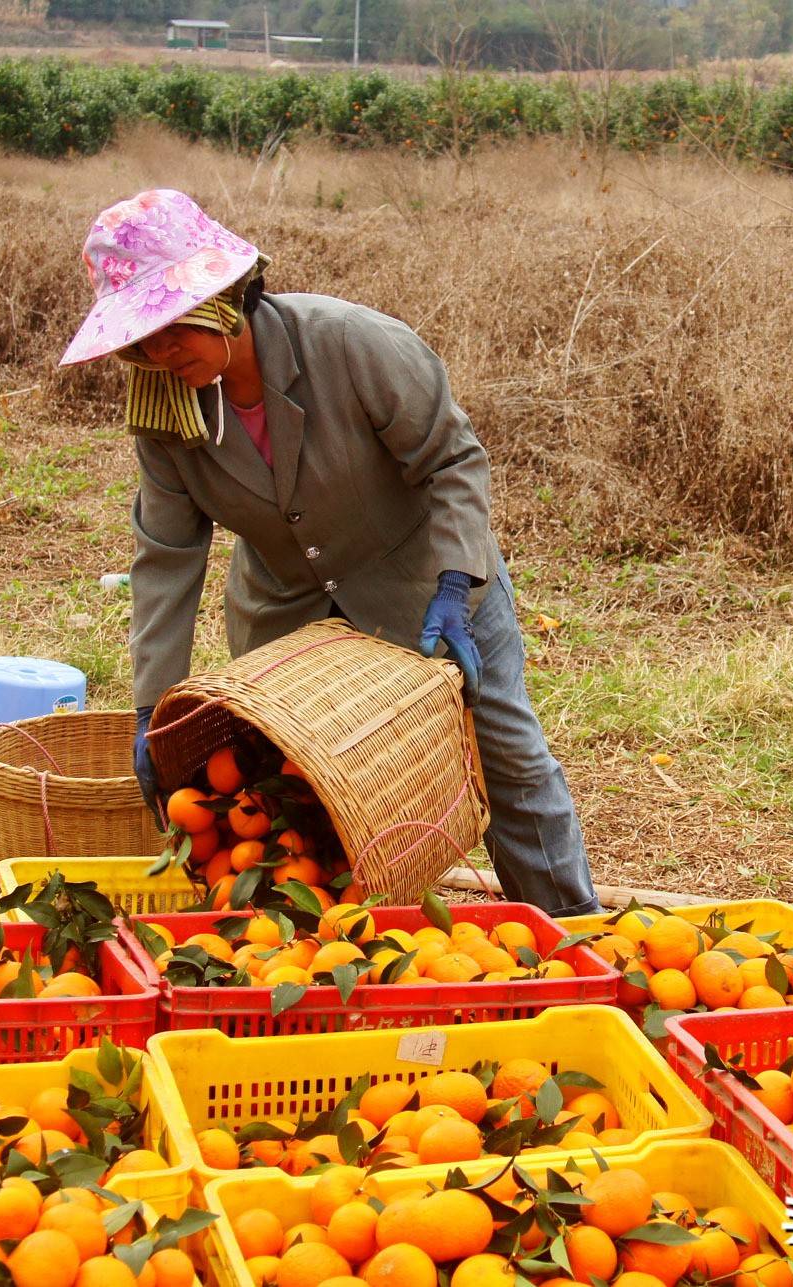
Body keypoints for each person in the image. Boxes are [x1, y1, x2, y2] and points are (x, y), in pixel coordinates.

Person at [58, 188, 598, 917]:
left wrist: (455, 583)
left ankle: (569, 932)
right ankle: (318, 953)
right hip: (288, 610)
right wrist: (153, 704)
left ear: (222, 297)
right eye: (141, 341)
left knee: (505, 760)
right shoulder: (166, 410)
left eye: (170, 329)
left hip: (425, 584)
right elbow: (166, 554)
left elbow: (453, 460)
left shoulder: (349, 344)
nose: (159, 353)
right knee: (292, 791)